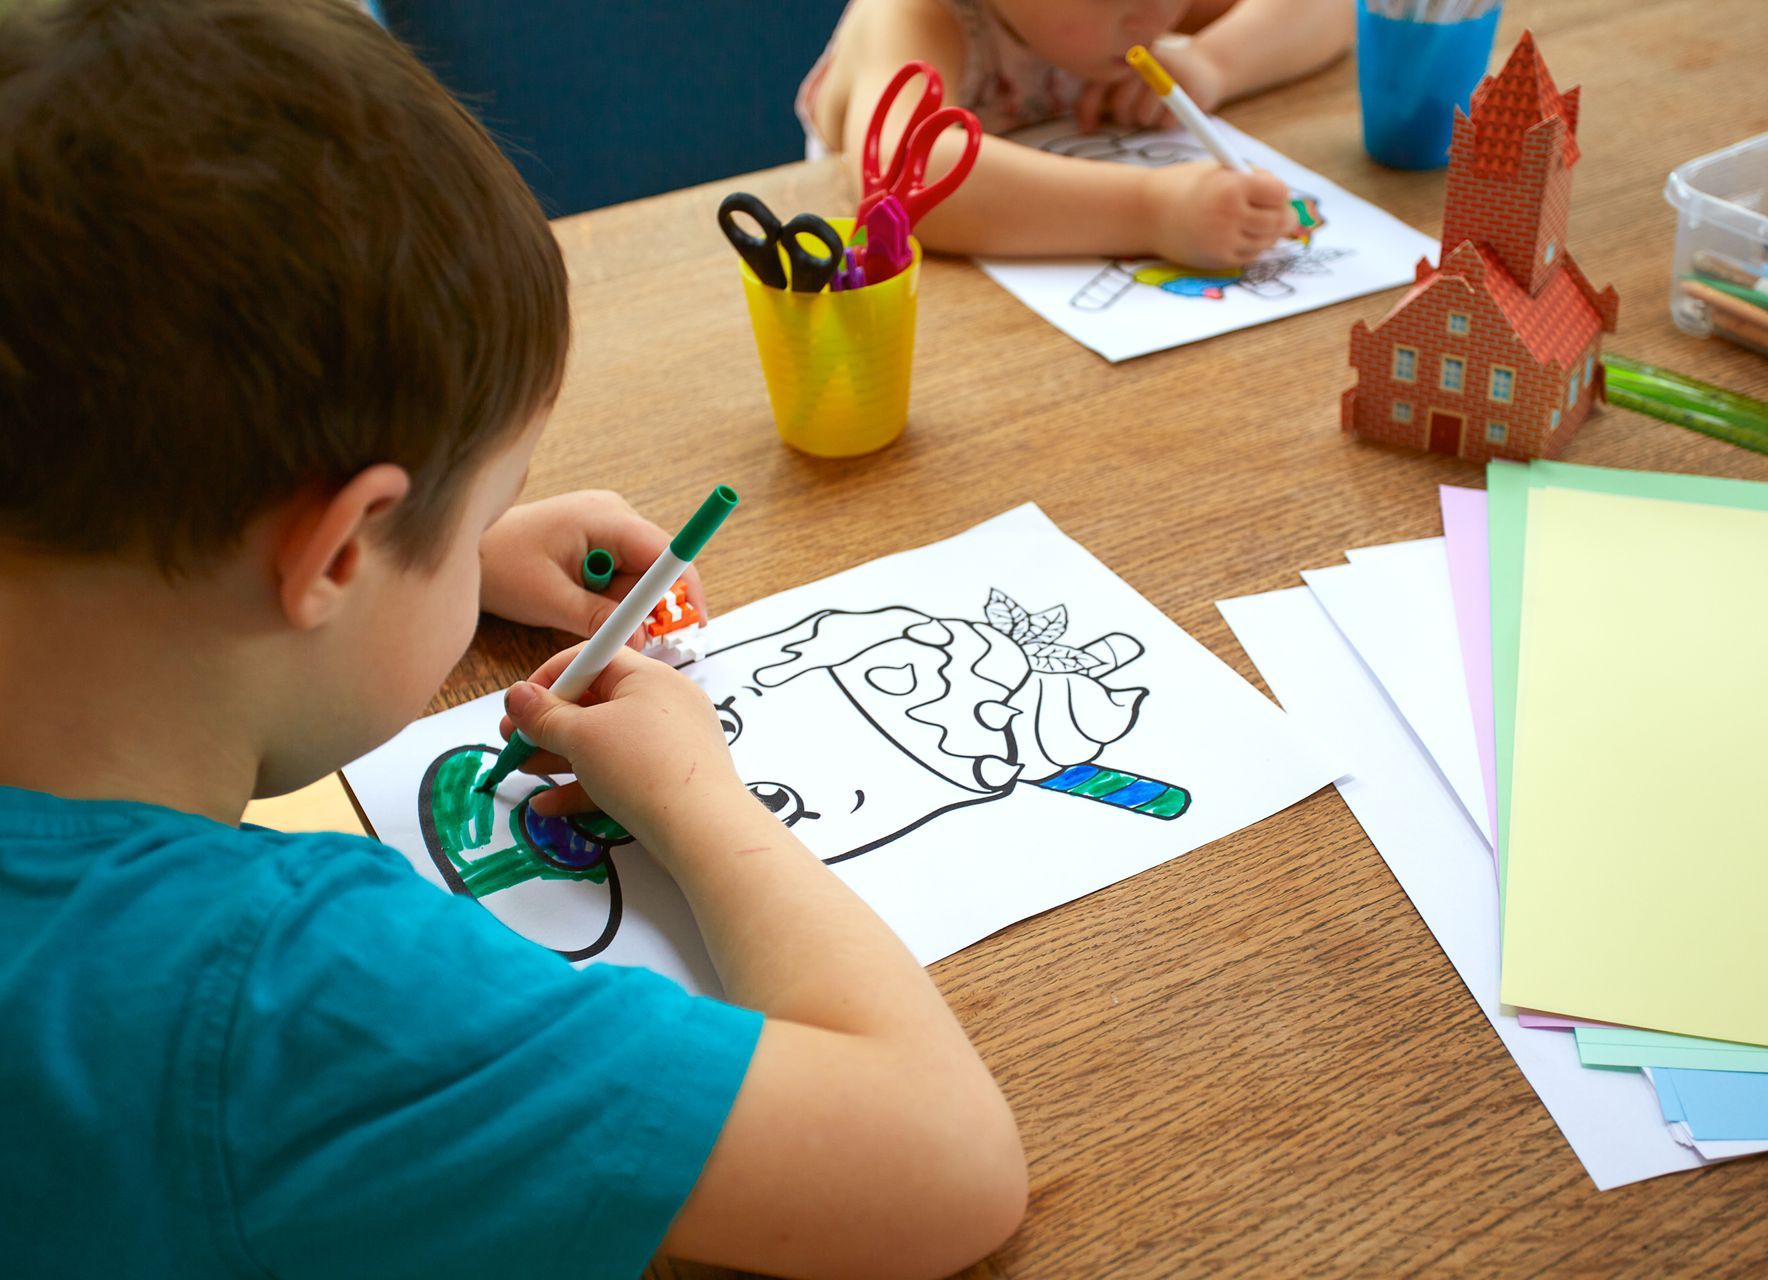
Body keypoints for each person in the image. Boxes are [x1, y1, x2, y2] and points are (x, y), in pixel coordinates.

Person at [0, 2, 1025, 1277]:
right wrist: (699, 796)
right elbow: (943, 1164)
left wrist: (446, 554)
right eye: (483, 501)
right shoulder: (284, 998)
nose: (487, 530)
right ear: (333, 551)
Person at [799, 0, 1353, 266]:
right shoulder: (917, 13)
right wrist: (1154, 211)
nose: (1155, 21)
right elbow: (903, 180)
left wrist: (1214, 63)